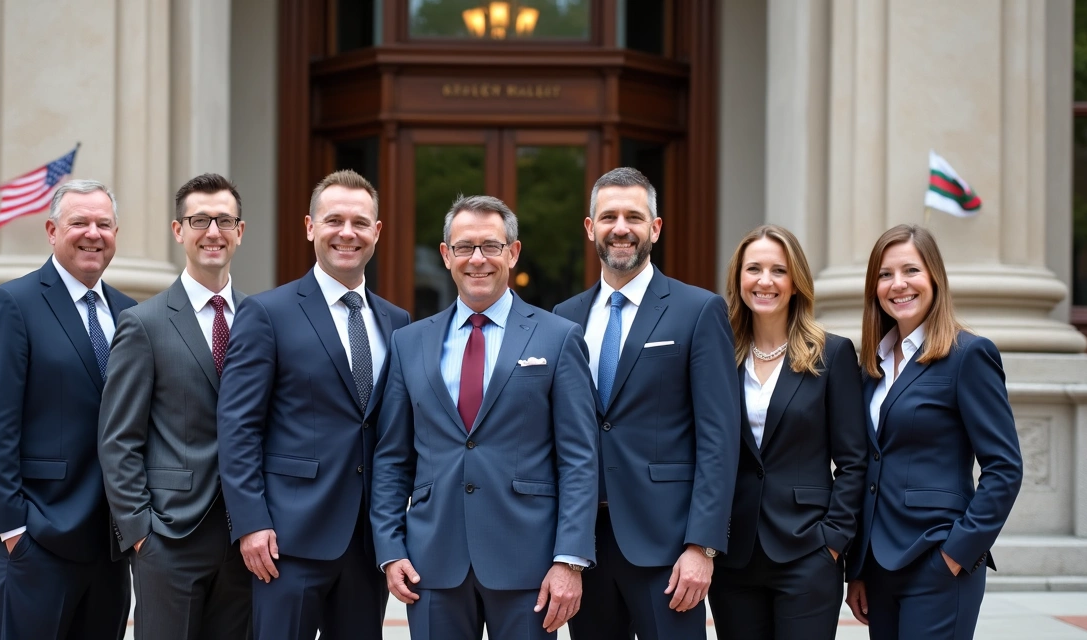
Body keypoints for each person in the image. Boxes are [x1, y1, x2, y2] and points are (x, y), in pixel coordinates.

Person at [371, 195, 599, 640]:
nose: (478, 259)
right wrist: (390, 548)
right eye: (464, 247)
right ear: (446, 255)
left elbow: (579, 459)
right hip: (432, 564)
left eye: (491, 246)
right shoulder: (409, 342)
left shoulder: (558, 338)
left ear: (512, 253)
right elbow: (392, 458)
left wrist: (569, 559)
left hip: (530, 565)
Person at [217, 169, 410, 639]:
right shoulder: (267, 313)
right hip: (286, 541)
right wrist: (251, 523)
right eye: (334, 220)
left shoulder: (397, 321)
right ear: (309, 227)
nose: (347, 233)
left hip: (367, 544)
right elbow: (238, 426)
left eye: (360, 223)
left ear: (377, 232)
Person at [553, 167, 740, 640]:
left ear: (655, 228)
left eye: (634, 217)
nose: (621, 228)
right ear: (590, 227)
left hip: (668, 547)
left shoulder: (698, 310)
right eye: (609, 216)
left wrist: (702, 546)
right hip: (585, 547)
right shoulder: (564, 318)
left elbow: (719, 438)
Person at [0, 180, 135, 640]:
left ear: (116, 234)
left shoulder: (130, 313)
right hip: (39, 535)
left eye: (104, 224)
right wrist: (13, 531)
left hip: (111, 541)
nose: (93, 234)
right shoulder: (11, 305)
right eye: (79, 222)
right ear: (52, 230)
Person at [844, 224, 1023, 639]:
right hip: (878, 568)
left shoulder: (968, 355)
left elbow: (1004, 468)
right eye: (885, 274)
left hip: (937, 561)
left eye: (911, 270)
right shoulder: (870, 366)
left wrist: (957, 553)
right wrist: (858, 568)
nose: (898, 284)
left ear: (935, 278)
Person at [98, 173, 251, 639]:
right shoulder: (142, 324)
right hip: (169, 536)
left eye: (224, 220)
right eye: (199, 220)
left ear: (240, 231)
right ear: (178, 230)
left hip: (246, 537)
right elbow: (118, 439)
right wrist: (140, 533)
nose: (213, 232)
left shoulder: (261, 319)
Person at [706, 224, 868, 639]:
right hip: (733, 554)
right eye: (754, 269)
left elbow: (853, 461)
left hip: (807, 553)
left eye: (778, 270)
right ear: (738, 279)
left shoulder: (832, 354)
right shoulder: (718, 354)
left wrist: (833, 542)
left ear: (796, 282)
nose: (765, 281)